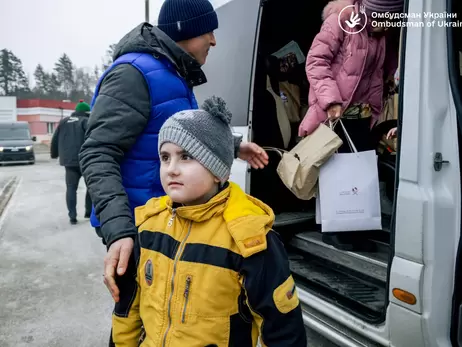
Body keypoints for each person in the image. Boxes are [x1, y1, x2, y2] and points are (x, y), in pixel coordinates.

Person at [79, 0, 269, 303]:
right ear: (187, 30)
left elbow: (176, 135)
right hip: (137, 228)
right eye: (209, 31)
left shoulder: (174, 73)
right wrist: (119, 232)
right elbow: (98, 153)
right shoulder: (134, 74)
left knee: (170, 321)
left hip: (165, 222)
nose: (214, 40)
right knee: (137, 323)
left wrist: (234, 146)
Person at [111, 96, 307, 346]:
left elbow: (282, 329)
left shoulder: (250, 238)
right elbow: (128, 308)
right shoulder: (148, 226)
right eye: (165, 157)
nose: (171, 168)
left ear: (218, 170)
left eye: (186, 157)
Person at [298, 0, 403, 251]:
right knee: (337, 171)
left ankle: (354, 227)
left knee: (358, 171)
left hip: (363, 115)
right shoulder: (340, 22)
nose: (386, 27)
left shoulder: (379, 34)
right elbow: (315, 62)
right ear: (370, 12)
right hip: (334, 113)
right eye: (383, 21)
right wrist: (331, 99)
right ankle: (334, 230)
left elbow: (379, 69)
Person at [50, 100, 92, 225]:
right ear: (86, 112)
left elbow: (55, 139)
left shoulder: (63, 122)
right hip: (85, 161)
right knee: (91, 187)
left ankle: (72, 216)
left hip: (69, 162)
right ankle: (88, 212)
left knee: (71, 188)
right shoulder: (87, 122)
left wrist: (54, 154)